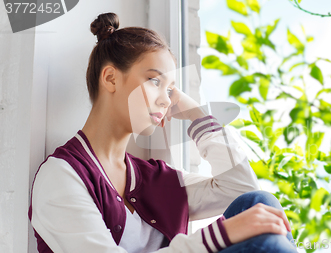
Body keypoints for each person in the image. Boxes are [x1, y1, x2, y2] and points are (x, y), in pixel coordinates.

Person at [28, 12, 298, 253]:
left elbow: (240, 188)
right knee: (268, 239)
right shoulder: (61, 176)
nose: (166, 100)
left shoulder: (155, 178)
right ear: (110, 78)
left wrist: (195, 113)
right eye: (154, 81)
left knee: (259, 201)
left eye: (171, 91)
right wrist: (215, 237)